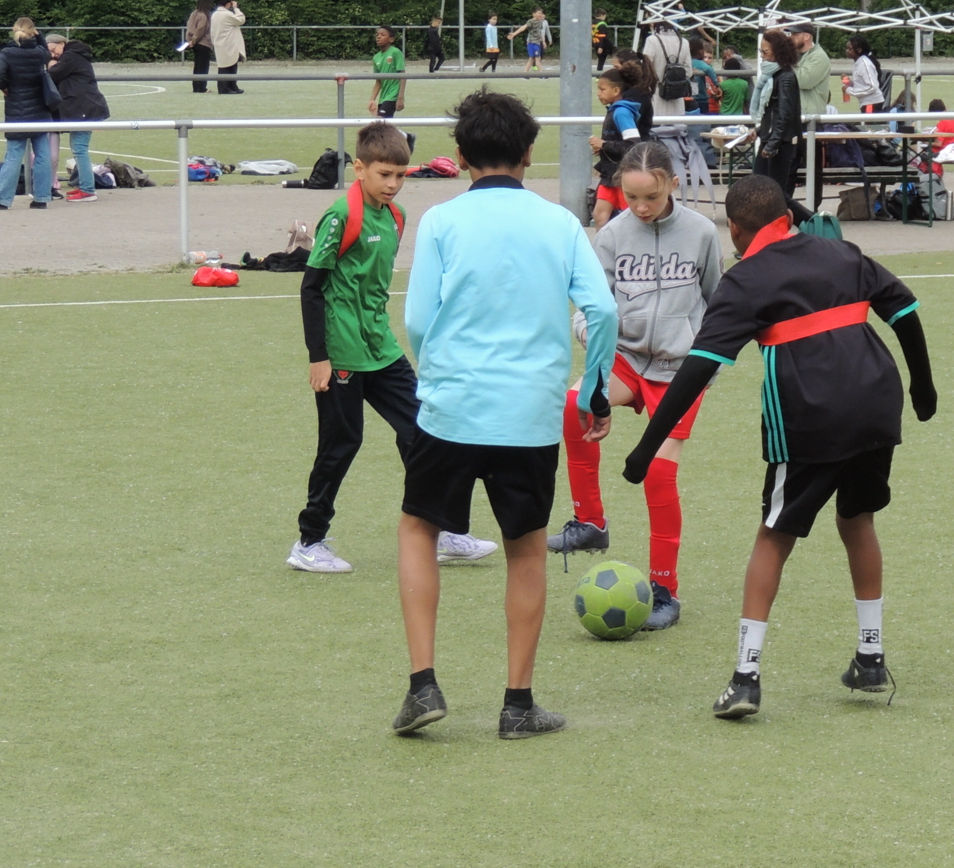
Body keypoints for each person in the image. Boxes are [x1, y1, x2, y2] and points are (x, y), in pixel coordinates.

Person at [613, 174, 936, 720]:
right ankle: (871, 657)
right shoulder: (842, 253)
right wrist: (923, 387)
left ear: (737, 232)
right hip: (877, 407)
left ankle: (745, 678)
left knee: (774, 535)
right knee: (857, 519)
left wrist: (646, 448)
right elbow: (903, 311)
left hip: (812, 417)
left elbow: (697, 368)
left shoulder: (745, 280)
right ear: (786, 217)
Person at [392, 90, 618, 738]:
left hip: (452, 409)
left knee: (418, 529)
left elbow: (417, 319)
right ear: (529, 153)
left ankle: (423, 685)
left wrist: (439, 374)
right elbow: (603, 311)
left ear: (460, 156)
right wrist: (595, 390)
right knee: (526, 548)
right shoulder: (560, 223)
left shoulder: (440, 221)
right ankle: (518, 705)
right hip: (530, 414)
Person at [290, 119, 498, 576]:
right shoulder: (340, 216)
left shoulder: (397, 217)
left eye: (401, 175)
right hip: (342, 354)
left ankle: (443, 531)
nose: (393, 184)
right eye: (384, 174)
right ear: (360, 169)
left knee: (423, 431)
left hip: (381, 348)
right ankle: (309, 541)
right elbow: (311, 288)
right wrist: (318, 357)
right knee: (341, 445)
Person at [550, 142, 723, 631]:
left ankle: (665, 590)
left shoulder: (702, 232)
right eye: (631, 197)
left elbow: (718, 302)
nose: (641, 208)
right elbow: (588, 308)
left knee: (658, 474)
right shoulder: (611, 235)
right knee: (573, 405)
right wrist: (594, 334)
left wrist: (707, 364)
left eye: (651, 196)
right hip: (625, 360)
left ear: (673, 184)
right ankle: (591, 523)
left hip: (680, 372)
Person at [0, 17, 58, 211]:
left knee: (14, 155)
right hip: (40, 109)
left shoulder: (8, 53)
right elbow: (47, 53)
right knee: (42, 155)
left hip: (17, 109)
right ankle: (42, 197)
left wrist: (5, 86)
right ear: (33, 31)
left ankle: (3, 198)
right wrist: (40, 37)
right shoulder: (39, 52)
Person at [754, 27, 813, 224]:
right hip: (773, 138)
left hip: (781, 142)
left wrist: (772, 144)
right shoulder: (774, 75)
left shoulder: (785, 77)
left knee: (775, 193)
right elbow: (772, 113)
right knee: (763, 189)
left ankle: (813, 223)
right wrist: (759, 131)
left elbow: (785, 114)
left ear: (778, 52)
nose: (762, 56)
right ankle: (771, 231)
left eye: (765, 51)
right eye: (761, 51)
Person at [45, 31, 110, 203]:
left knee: (80, 149)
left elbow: (53, 74)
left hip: (85, 108)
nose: (53, 54)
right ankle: (85, 186)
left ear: (61, 43)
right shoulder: (74, 54)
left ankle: (88, 190)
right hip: (83, 107)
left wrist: (50, 64)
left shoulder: (71, 56)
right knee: (78, 148)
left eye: (53, 50)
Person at [588, 63, 652, 228]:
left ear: (616, 91)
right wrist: (603, 153)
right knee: (599, 215)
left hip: (623, 176)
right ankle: (604, 245)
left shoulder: (622, 113)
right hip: (610, 175)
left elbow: (633, 145)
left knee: (629, 217)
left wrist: (604, 145)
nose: (598, 93)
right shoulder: (614, 110)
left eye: (602, 89)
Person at [793, 25, 832, 120]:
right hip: (795, 115)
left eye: (795, 34)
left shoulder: (819, 57)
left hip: (810, 118)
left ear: (806, 36)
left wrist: (784, 62)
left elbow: (803, 81)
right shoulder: (794, 55)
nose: (791, 37)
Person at [211, 0, 246, 94]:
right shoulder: (227, 14)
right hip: (229, 44)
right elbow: (241, 20)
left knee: (227, 66)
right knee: (227, 67)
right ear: (228, 4)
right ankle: (224, 88)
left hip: (219, 43)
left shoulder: (214, 15)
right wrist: (236, 8)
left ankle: (232, 86)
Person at [843, 36, 886, 113]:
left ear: (859, 50)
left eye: (850, 49)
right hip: (867, 103)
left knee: (869, 121)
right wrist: (850, 83)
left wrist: (849, 90)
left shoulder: (865, 63)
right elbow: (862, 84)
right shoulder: (858, 63)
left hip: (872, 103)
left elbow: (872, 86)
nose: (847, 51)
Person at [184, 0, 214, 94]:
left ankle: (196, 87)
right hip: (203, 43)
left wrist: (189, 40)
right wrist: (194, 40)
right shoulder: (203, 16)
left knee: (197, 66)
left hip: (194, 43)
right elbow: (200, 31)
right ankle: (201, 88)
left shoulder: (194, 13)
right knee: (203, 66)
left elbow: (189, 27)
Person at [512, 7, 550, 71]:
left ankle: (525, 73)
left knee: (532, 59)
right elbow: (523, 28)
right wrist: (514, 34)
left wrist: (543, 41)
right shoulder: (531, 21)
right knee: (537, 59)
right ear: (534, 14)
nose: (540, 15)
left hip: (538, 43)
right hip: (532, 43)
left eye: (541, 13)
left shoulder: (540, 22)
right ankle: (542, 74)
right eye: (539, 13)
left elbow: (540, 32)